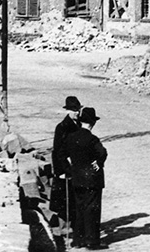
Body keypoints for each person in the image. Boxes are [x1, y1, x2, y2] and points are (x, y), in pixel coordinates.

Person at [65, 106, 107, 250]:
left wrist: (70, 167)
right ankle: (92, 241)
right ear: (92, 123)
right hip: (92, 179)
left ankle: (78, 240)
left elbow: (62, 154)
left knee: (79, 208)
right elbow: (102, 153)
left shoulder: (71, 138)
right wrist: (98, 163)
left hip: (77, 178)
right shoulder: (92, 139)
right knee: (92, 210)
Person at [51, 96, 82, 234]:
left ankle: (73, 228)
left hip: (75, 167)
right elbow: (57, 151)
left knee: (73, 199)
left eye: (78, 109)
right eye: (74, 110)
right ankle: (64, 229)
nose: (76, 113)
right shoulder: (62, 127)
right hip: (64, 169)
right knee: (64, 201)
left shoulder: (79, 125)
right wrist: (62, 170)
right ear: (67, 111)